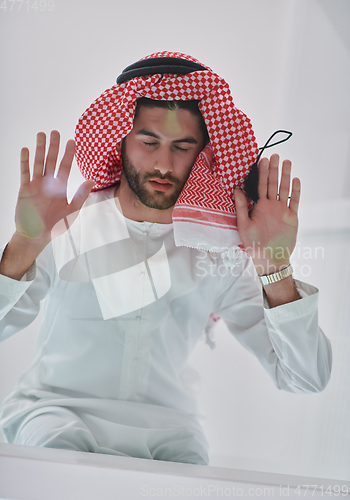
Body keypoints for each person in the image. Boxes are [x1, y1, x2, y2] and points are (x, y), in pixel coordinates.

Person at [0, 52, 332, 466]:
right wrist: (25, 245)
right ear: (119, 139)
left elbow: (306, 378)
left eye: (182, 146)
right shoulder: (67, 225)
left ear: (203, 155)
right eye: (149, 141)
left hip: (170, 433)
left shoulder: (219, 252)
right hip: (54, 414)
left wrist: (273, 267)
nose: (163, 163)